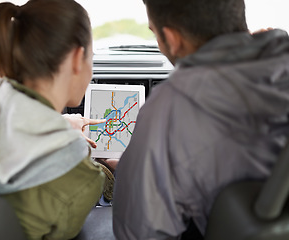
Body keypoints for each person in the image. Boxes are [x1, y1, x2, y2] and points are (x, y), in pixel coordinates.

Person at [113, 0, 289, 239]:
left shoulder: (171, 106)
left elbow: (139, 231)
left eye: (155, 33)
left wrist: (128, 170)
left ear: (172, 39)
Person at [0, 0, 106, 239]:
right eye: (91, 57)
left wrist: (59, 127)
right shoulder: (82, 177)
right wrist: (108, 168)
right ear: (77, 58)